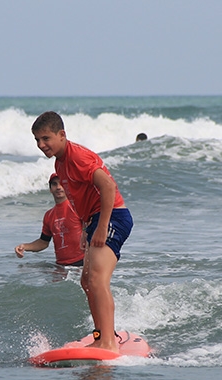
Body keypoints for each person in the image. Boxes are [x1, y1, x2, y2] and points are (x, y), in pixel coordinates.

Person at [32, 111, 133, 354]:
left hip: (112, 217)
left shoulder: (77, 157)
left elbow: (108, 186)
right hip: (94, 220)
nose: (41, 145)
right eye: (37, 140)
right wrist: (85, 228)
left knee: (97, 280)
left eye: (46, 138)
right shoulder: (60, 162)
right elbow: (79, 197)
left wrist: (100, 227)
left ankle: (108, 341)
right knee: (86, 281)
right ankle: (101, 335)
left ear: (62, 134)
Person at [15, 173, 84, 266]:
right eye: (54, 184)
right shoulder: (49, 215)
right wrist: (24, 246)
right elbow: (43, 242)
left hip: (82, 262)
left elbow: (92, 231)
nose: (58, 187)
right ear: (50, 189)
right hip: (61, 265)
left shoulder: (78, 207)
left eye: (61, 184)